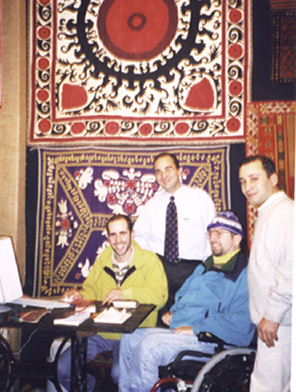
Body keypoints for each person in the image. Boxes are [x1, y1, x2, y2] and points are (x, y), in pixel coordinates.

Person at [118, 210, 256, 392]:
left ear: (237, 239)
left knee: (149, 348)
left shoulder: (243, 274)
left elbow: (241, 325)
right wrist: (173, 311)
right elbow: (183, 294)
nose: (213, 238)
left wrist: (196, 329)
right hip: (183, 329)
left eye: (220, 233)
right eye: (211, 233)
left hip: (212, 340)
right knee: (129, 337)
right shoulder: (206, 265)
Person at [47, 214, 168, 392]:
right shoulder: (104, 259)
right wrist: (78, 296)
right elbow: (91, 291)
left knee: (119, 374)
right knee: (63, 369)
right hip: (101, 333)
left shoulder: (149, 261)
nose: (118, 240)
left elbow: (159, 297)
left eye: (123, 233)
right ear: (108, 236)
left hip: (133, 335)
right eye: (113, 235)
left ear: (132, 234)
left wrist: (125, 293)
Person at [134, 152, 216, 319]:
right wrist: (152, 261)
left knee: (189, 317)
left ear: (180, 171)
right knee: (160, 317)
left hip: (193, 270)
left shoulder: (200, 199)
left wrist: (208, 270)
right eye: (158, 171)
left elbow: (213, 236)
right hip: (160, 269)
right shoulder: (152, 205)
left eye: (168, 169)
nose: (163, 175)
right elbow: (139, 237)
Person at [239, 155, 294, 392]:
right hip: (280, 321)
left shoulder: (284, 214)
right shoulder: (271, 212)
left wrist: (272, 315)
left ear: (273, 179)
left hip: (280, 322)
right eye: (242, 181)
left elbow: (291, 268)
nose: (247, 187)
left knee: (267, 387)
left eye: (254, 179)